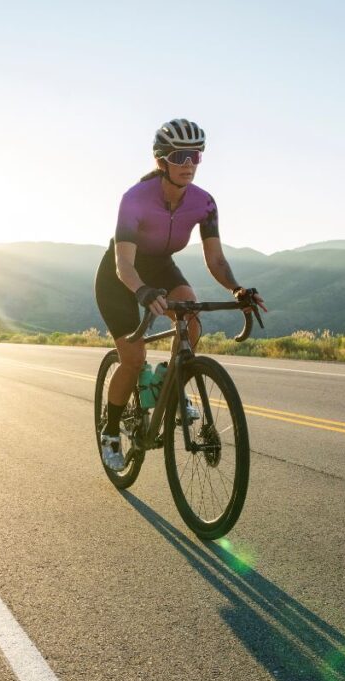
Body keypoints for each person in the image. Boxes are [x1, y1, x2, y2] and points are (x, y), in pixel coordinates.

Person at [94, 118, 267, 471]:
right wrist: (141, 290)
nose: (189, 164)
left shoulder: (204, 203)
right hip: (120, 277)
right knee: (133, 358)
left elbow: (215, 258)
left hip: (160, 266)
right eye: (180, 156)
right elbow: (122, 264)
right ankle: (111, 431)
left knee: (190, 321)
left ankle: (169, 382)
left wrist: (236, 288)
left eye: (196, 156)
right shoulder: (135, 199)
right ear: (161, 160)